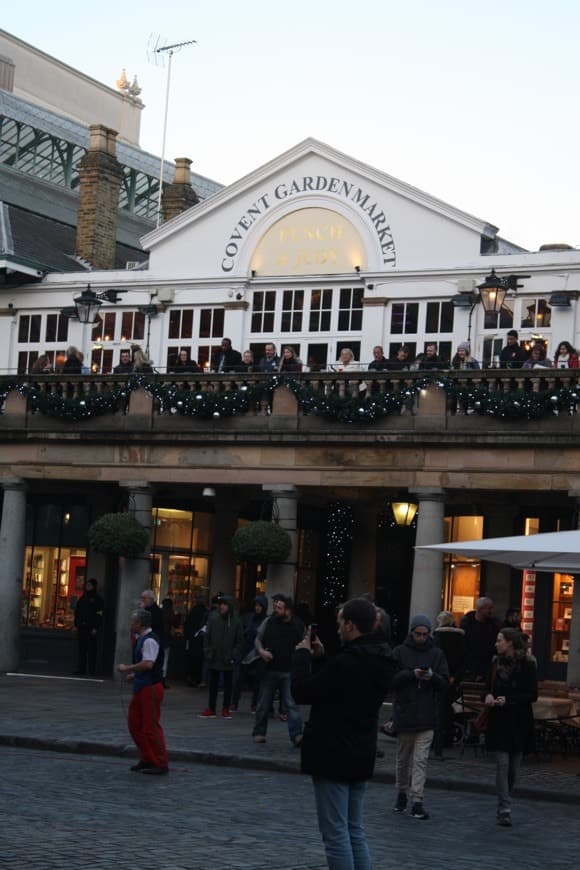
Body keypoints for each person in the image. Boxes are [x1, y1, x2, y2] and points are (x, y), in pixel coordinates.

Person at [291, 596, 394, 870]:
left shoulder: (348, 662)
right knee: (354, 829)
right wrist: (325, 658)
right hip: (361, 750)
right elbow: (340, 686)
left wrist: (302, 655)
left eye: (340, 623)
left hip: (332, 751)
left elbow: (302, 691)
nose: (337, 629)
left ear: (350, 625)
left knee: (335, 833)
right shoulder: (382, 657)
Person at [391, 614, 449, 820]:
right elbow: (391, 679)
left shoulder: (436, 654)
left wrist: (432, 677)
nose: (421, 638)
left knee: (420, 760)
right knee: (403, 759)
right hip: (406, 713)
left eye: (425, 634)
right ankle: (401, 792)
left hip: (426, 713)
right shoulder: (399, 652)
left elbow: (444, 682)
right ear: (412, 633)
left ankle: (417, 799)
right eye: (418, 634)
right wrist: (411, 674)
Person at [483, 627, 538, 826]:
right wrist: (488, 696)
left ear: (510, 643)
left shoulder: (527, 665)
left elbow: (532, 694)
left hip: (519, 721)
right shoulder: (494, 663)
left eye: (499, 640)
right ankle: (504, 807)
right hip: (499, 721)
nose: (496, 644)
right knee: (502, 765)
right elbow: (486, 688)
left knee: (513, 769)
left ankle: (506, 798)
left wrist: (509, 699)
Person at [117, 608, 169, 775]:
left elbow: (148, 664)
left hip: (151, 688)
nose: (131, 624)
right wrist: (135, 674)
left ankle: (160, 763)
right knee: (135, 724)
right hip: (142, 686)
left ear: (139, 624)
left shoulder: (149, 640)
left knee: (150, 727)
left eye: (133, 621)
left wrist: (128, 668)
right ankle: (147, 758)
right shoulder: (142, 638)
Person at [252, 594, 304, 746]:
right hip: (270, 669)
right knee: (263, 703)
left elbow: (304, 644)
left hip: (289, 670)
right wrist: (261, 651)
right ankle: (259, 732)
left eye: (279, 608)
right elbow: (257, 639)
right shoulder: (269, 621)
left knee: (291, 704)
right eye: (275, 607)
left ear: (288, 611)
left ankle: (297, 735)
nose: (275, 610)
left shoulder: (298, 625)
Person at [198, 595, 243, 719]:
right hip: (214, 655)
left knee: (228, 685)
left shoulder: (236, 621)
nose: (222, 606)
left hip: (228, 657)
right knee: (213, 684)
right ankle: (211, 708)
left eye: (224, 604)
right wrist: (208, 651)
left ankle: (225, 708)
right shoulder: (213, 618)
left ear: (230, 606)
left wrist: (233, 654)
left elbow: (239, 641)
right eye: (220, 604)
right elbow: (207, 637)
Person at [432, 611, 466, 757]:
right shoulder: (460, 637)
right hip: (453, 678)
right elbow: (463, 659)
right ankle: (448, 738)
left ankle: (438, 741)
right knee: (448, 709)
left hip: (441, 676)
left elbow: (437, 657)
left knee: (438, 709)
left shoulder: (438, 636)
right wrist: (455, 676)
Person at [232, 594, 269, 711]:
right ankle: (234, 702)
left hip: (257, 653)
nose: (257, 608)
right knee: (239, 679)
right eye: (256, 605)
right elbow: (242, 633)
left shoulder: (266, 620)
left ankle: (254, 703)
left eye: (260, 606)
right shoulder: (249, 618)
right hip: (245, 651)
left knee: (257, 680)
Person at [460, 597, 501, 681]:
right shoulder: (466, 624)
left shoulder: (494, 625)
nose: (491, 611)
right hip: (469, 665)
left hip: (486, 664)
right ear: (480, 609)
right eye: (489, 608)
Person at [73, 578, 104, 676]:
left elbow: (99, 614)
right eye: (86, 585)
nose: (87, 587)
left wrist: (96, 627)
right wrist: (76, 624)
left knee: (91, 650)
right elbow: (77, 611)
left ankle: (91, 670)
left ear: (94, 586)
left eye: (89, 585)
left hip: (91, 629)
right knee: (81, 650)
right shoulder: (83, 598)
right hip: (82, 627)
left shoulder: (98, 599)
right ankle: (81, 669)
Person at [183, 595, 209, 687]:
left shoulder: (192, 611)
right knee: (199, 660)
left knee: (191, 659)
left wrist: (187, 636)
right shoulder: (206, 612)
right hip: (201, 638)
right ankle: (198, 678)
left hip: (192, 638)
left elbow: (187, 624)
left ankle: (191, 677)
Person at [160, 597, 176, 689]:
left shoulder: (160, 612)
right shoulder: (170, 613)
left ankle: (157, 679)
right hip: (166, 638)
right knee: (165, 660)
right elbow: (175, 623)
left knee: (159, 659)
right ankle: (162, 680)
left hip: (159, 637)